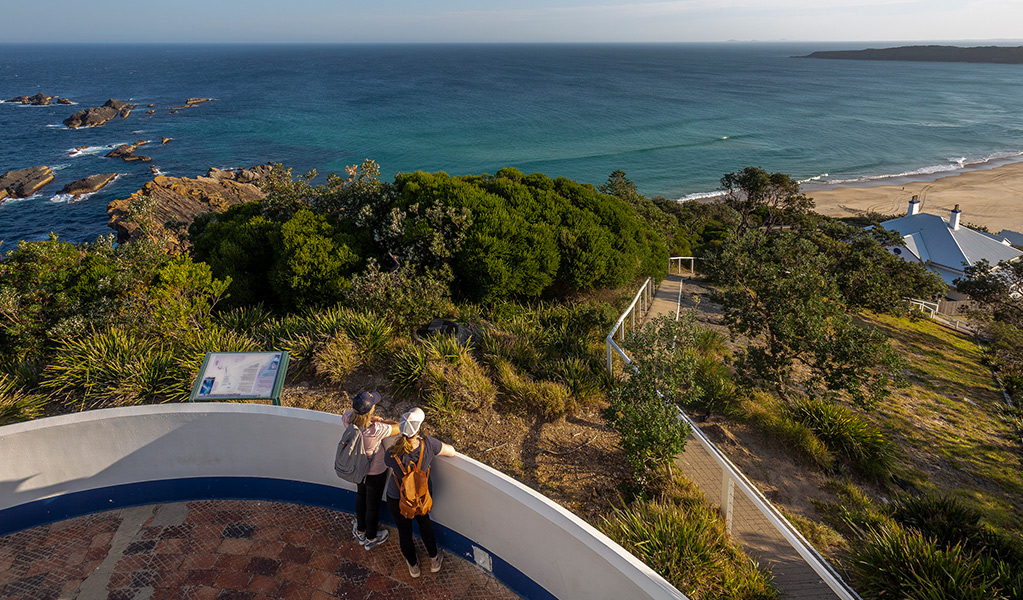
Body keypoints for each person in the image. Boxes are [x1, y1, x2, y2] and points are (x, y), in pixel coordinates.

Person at [384, 407, 456, 577]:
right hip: (421, 498)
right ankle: (434, 559)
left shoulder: (392, 453)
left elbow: (388, 463)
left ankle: (414, 566)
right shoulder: (428, 444)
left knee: (404, 532)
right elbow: (451, 452)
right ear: (418, 429)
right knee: (425, 524)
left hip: (397, 498)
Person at [342, 391, 399, 550]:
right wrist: (380, 420)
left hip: (358, 470)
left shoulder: (347, 419)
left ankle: (361, 531)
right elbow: (400, 426)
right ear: (370, 410)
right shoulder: (376, 429)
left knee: (361, 497)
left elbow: (352, 416)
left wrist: (369, 418)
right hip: (375, 472)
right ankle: (371, 538)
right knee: (372, 505)